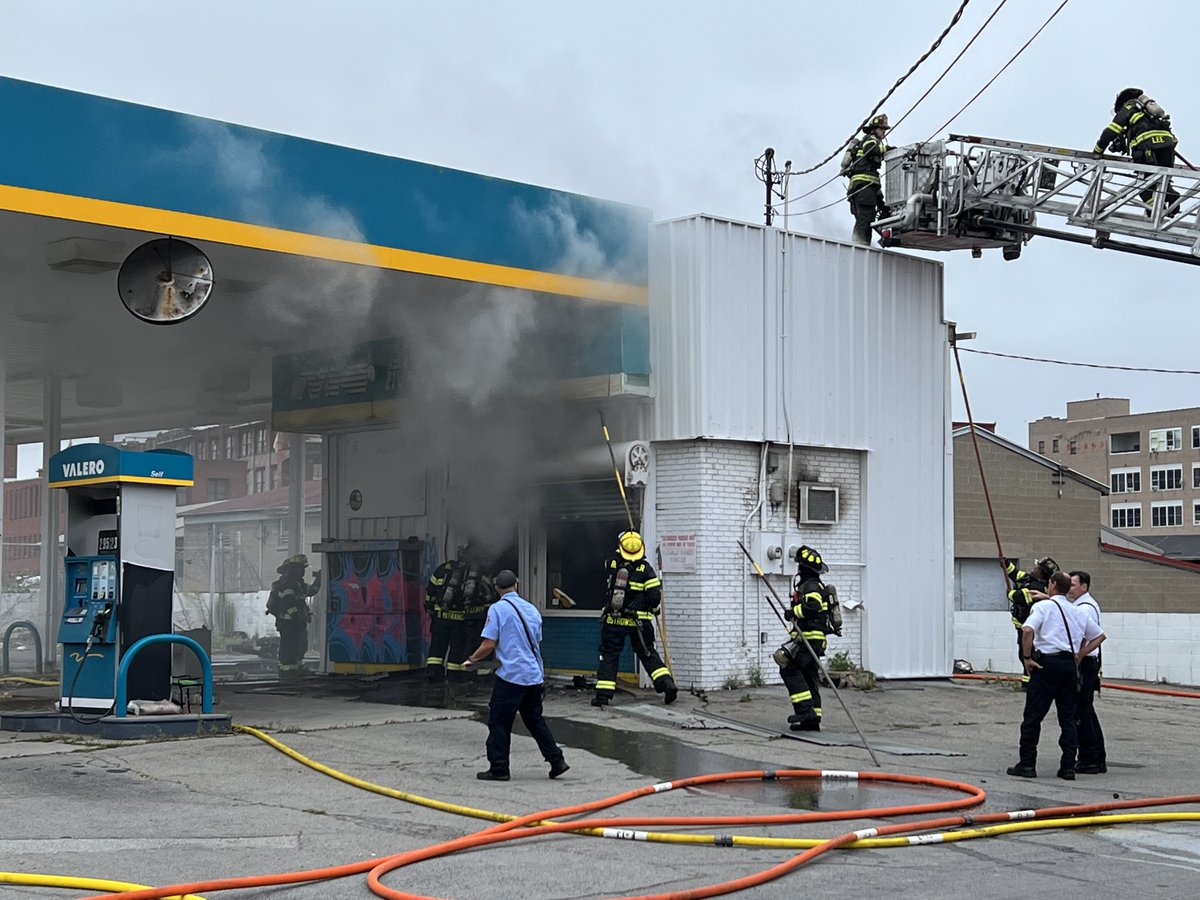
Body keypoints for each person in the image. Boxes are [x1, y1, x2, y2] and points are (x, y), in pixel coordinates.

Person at [462, 569, 569, 782]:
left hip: (512, 676)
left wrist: (472, 659)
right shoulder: (531, 610)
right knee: (535, 720)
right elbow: (535, 641)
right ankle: (557, 761)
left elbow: (489, 644)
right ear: (516, 586)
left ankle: (499, 769)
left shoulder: (497, 609)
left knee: (499, 722)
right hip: (533, 675)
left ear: (496, 589)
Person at [1007, 571, 1105, 781]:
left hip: (1046, 664)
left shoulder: (1043, 607)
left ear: (1052, 585)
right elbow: (1099, 636)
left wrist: (1027, 658)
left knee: (1033, 716)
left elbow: (1027, 631)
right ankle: (1068, 766)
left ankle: (1027, 764)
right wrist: (1079, 655)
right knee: (1068, 718)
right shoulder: (1078, 611)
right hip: (1069, 666)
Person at [591, 531, 677, 707]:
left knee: (609, 656)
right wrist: (655, 610)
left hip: (613, 621)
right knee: (647, 654)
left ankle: (603, 696)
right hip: (639, 623)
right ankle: (667, 685)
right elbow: (654, 598)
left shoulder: (613, 564)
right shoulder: (646, 570)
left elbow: (606, 564)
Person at [1094, 87, 1180, 213]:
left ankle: (1155, 211)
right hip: (1167, 146)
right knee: (1162, 181)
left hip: (1146, 147)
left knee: (1143, 185)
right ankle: (1171, 199)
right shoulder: (1149, 113)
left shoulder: (1129, 106)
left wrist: (1097, 151)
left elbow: (1111, 130)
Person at [776, 545, 834, 732]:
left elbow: (812, 607)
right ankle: (812, 719)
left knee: (789, 668)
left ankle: (804, 711)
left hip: (808, 638)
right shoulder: (816, 584)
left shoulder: (810, 586)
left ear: (804, 568)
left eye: (800, 566)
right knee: (810, 676)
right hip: (816, 639)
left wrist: (793, 612)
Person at [1068, 570, 1106, 774]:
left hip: (1086, 664)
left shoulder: (1084, 609)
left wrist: (1079, 655)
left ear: (1084, 586)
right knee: (1087, 710)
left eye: (1073, 585)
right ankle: (1097, 757)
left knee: (1081, 712)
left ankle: (1089, 758)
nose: (1070, 588)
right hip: (1089, 663)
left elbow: (1091, 636)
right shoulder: (1082, 605)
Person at [265, 554, 321, 678]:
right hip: (289, 623)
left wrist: (319, 579)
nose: (303, 571)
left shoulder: (297, 584)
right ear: (294, 568)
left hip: (296, 622)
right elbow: (288, 602)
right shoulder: (288, 584)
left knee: (300, 646)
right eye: (301, 568)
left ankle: (298, 669)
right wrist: (296, 617)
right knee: (290, 648)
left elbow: (312, 591)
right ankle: (287, 673)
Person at [1005, 557, 1057, 689]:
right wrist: (1006, 564)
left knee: (1026, 653)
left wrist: (1009, 593)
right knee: (1024, 653)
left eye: (1037, 568)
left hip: (1027, 627)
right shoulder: (1030, 579)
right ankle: (1028, 680)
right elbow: (1016, 574)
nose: (1034, 569)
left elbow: (1019, 596)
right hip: (1022, 625)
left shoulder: (1037, 587)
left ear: (1041, 573)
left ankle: (1029, 682)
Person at [845, 114, 891, 245]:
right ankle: (860, 247)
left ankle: (859, 245)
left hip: (863, 189)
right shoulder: (870, 140)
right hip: (863, 190)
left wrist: (882, 205)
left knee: (864, 219)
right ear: (874, 129)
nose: (884, 132)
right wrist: (887, 149)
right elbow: (871, 150)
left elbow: (873, 181)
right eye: (882, 129)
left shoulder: (871, 143)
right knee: (865, 219)